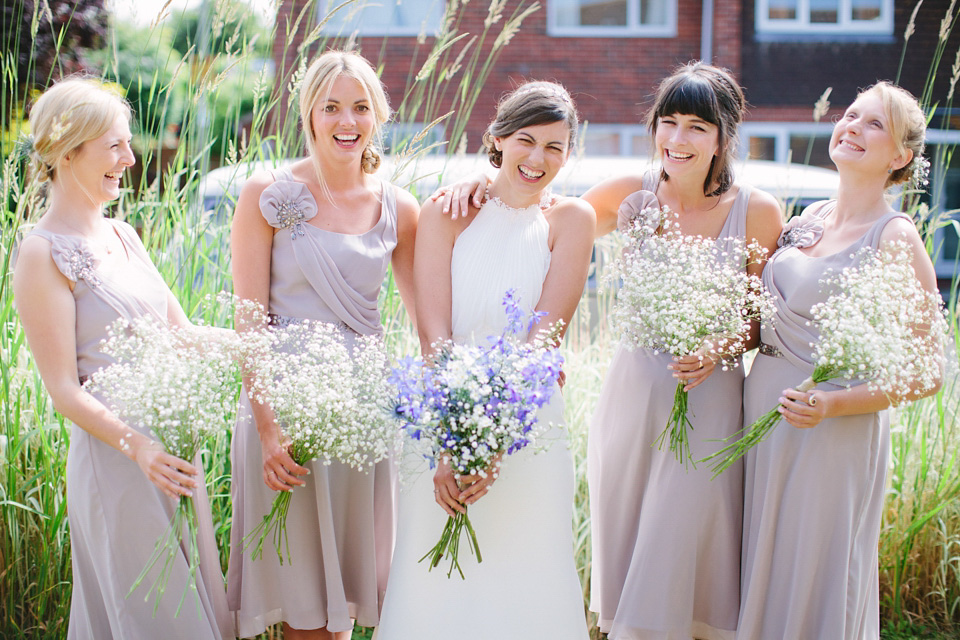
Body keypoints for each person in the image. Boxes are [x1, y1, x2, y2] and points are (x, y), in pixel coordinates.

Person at [433, 62, 783, 639]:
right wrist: (476, 183)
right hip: (633, 397)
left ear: (724, 136)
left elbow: (757, 321)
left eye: (696, 126)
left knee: (687, 540)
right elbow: (531, 220)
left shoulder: (758, 211)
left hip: (712, 400)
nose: (676, 139)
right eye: (666, 122)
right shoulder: (627, 195)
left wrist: (720, 345)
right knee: (634, 546)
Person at [13, 78, 233, 639]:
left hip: (171, 453)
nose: (130, 159)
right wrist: (140, 447)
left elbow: (182, 334)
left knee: (186, 607)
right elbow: (63, 389)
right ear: (67, 151)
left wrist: (263, 347)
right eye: (114, 146)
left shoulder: (125, 235)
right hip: (120, 460)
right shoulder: (41, 254)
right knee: (153, 617)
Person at [375, 81, 595, 639]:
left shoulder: (573, 221)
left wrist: (494, 440)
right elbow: (433, 333)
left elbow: (546, 335)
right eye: (526, 140)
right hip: (442, 411)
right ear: (496, 139)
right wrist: (455, 439)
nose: (538, 158)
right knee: (434, 581)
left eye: (555, 147)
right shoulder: (446, 212)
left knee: (529, 574)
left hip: (528, 426)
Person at [737, 82, 941, 640]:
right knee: (765, 566)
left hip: (829, 433)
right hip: (764, 419)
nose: (852, 126)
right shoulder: (809, 216)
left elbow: (927, 371)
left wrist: (830, 404)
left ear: (900, 156)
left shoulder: (893, 237)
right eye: (850, 115)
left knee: (815, 572)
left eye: (874, 124)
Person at [225, 50, 418, 640]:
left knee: (343, 610)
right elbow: (248, 320)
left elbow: (427, 316)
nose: (347, 121)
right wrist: (266, 426)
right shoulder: (267, 193)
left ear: (377, 116)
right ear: (308, 113)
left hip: (361, 418)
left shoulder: (400, 209)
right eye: (331, 107)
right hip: (283, 415)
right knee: (300, 605)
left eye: (360, 107)